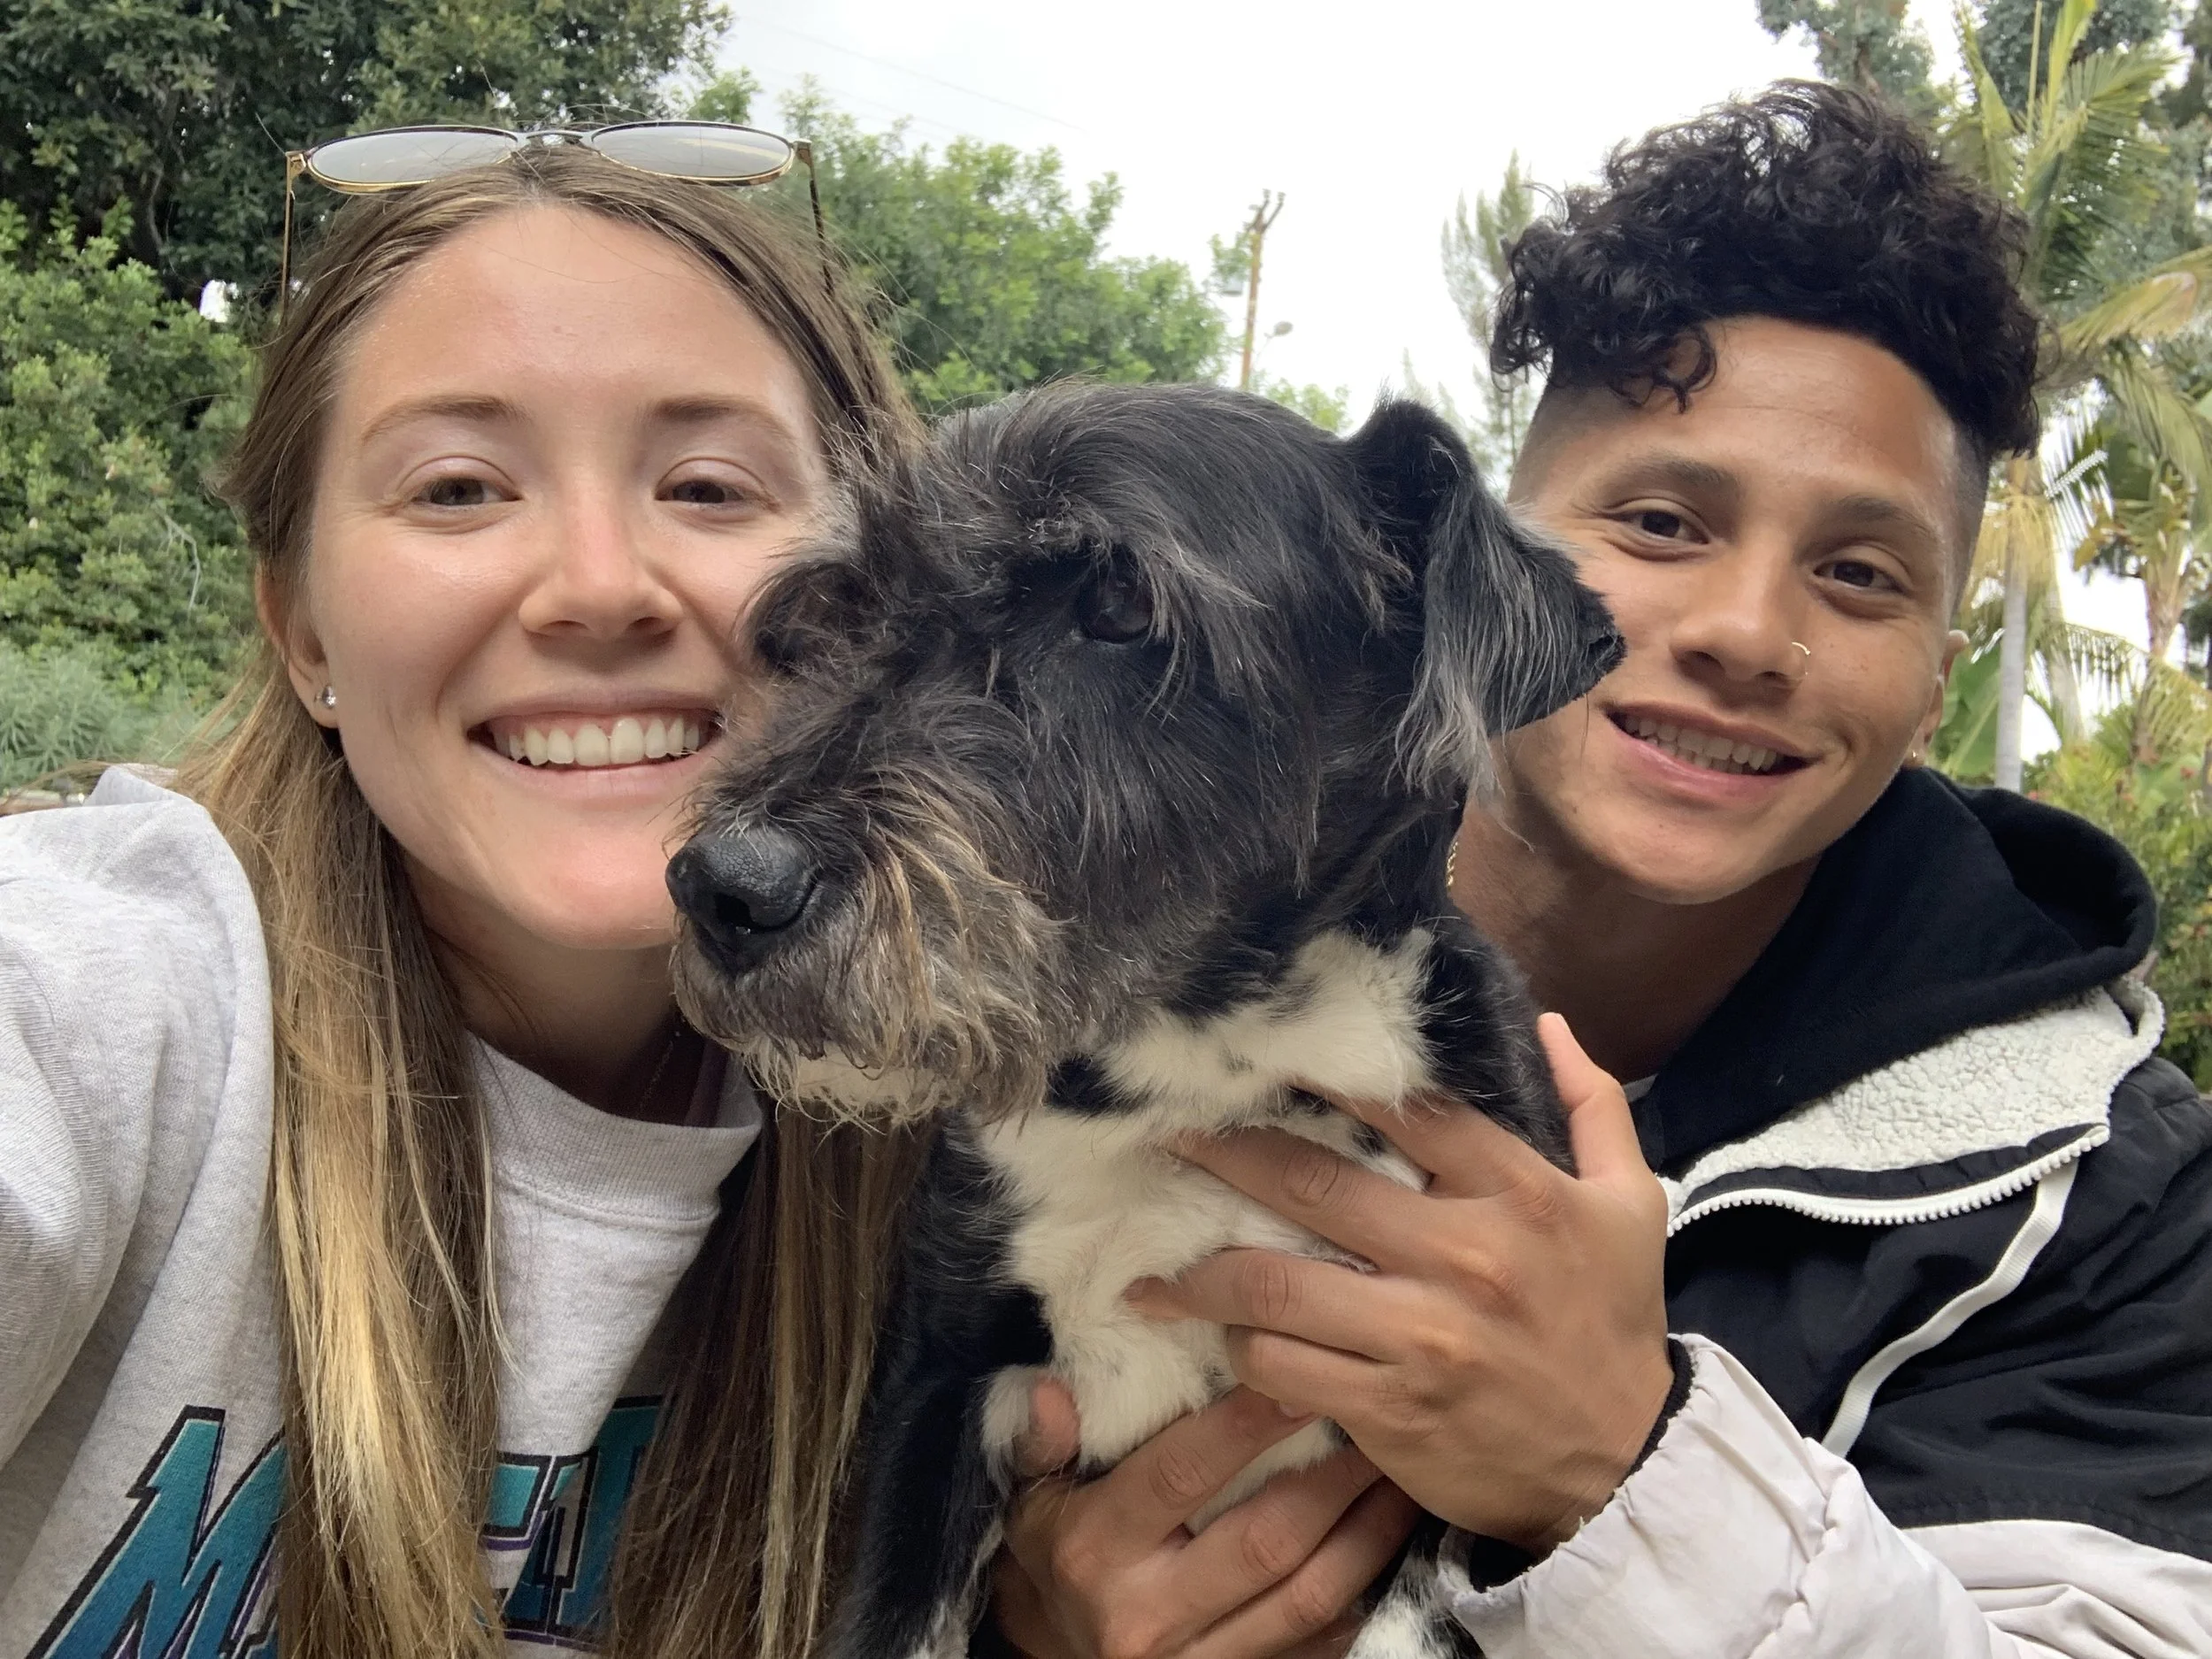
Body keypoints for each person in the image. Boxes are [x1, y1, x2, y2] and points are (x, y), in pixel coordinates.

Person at [992, 84, 2212, 1657]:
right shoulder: (1044, 958)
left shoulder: (2106, 1193)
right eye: (1659, 519)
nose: (1744, 633)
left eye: (1859, 572)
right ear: (1490, 559)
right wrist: (1011, 1610)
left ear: (1935, 673)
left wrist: (1619, 1469)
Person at [0, 142, 948, 1659]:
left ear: (892, 600)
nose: (598, 582)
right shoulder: (105, 1006)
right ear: (299, 621)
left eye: (709, 486)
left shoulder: (983, 1171)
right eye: (457, 487)